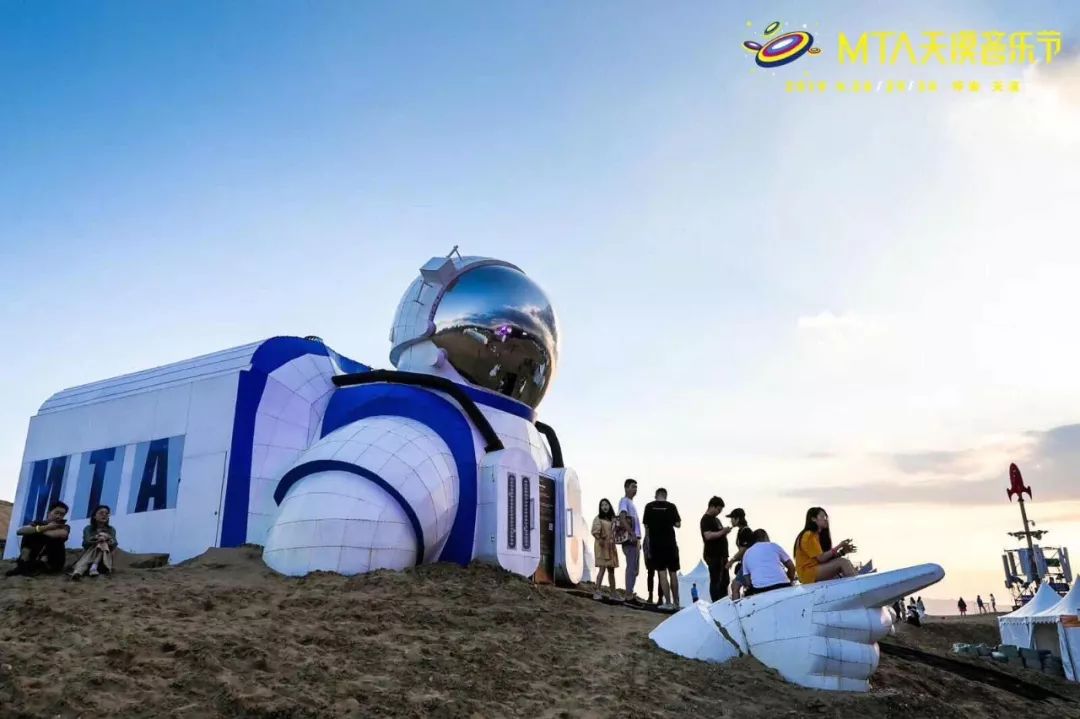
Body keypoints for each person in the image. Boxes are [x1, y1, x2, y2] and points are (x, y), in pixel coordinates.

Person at [5, 501, 71, 576]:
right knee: (29, 534)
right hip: (34, 557)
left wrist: (37, 530)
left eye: (62, 514)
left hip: (53, 562)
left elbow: (61, 534)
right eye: (56, 513)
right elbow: (20, 531)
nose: (58, 516)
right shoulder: (38, 523)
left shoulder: (64, 526)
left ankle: (37, 564)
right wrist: (46, 527)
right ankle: (23, 561)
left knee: (50, 536)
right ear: (49, 512)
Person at [793, 507, 856, 585]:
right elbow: (821, 558)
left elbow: (825, 559)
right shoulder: (809, 535)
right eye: (822, 516)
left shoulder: (816, 535)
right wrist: (839, 546)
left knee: (843, 566)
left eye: (826, 517)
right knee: (843, 562)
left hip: (815, 569)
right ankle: (857, 586)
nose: (826, 519)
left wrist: (842, 552)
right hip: (807, 573)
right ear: (813, 519)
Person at [642, 488, 682, 610]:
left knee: (662, 573)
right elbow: (678, 524)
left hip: (656, 544)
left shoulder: (649, 506)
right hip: (670, 543)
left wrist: (647, 543)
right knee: (673, 573)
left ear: (656, 495)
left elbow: (646, 526)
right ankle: (676, 603)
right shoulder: (671, 506)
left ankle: (668, 602)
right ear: (665, 496)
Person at [741, 529, 795, 596]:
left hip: (760, 589)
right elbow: (791, 566)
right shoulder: (774, 546)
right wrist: (790, 580)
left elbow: (747, 580)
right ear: (765, 537)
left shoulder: (747, 553)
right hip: (783, 585)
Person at [71, 504, 118, 580]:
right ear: (94, 516)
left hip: (105, 558)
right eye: (101, 513)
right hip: (90, 555)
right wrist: (96, 539)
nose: (104, 515)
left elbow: (114, 543)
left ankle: (79, 571)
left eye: (106, 513)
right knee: (100, 542)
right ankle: (93, 566)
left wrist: (106, 538)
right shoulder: (88, 528)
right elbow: (85, 543)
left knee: (103, 542)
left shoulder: (111, 529)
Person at [700, 496, 733, 601]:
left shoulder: (716, 520)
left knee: (725, 580)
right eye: (718, 509)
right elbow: (708, 536)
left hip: (722, 554)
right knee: (716, 580)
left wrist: (724, 532)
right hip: (713, 554)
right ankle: (717, 601)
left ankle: (723, 599)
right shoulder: (706, 519)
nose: (719, 512)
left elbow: (718, 533)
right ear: (712, 506)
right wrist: (723, 532)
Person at [617, 479, 642, 601]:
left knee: (635, 569)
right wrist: (631, 533)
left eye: (636, 487)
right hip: (630, 539)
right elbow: (622, 518)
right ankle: (628, 595)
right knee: (631, 567)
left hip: (635, 539)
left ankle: (630, 592)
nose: (635, 489)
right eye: (633, 487)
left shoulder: (631, 503)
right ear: (626, 488)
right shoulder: (624, 501)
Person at [724, 508, 754, 600]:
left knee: (735, 585)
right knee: (743, 586)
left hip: (748, 563)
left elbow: (743, 549)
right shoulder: (741, 531)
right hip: (745, 563)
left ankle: (736, 605)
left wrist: (732, 561)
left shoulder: (745, 531)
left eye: (732, 518)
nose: (731, 521)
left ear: (737, 519)